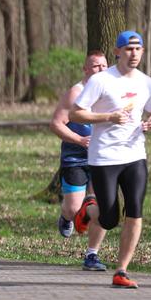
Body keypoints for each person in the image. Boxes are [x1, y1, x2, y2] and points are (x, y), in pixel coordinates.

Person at [70, 31, 151, 288]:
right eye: (129, 49)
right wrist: (107, 117)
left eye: (138, 49)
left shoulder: (147, 83)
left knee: (135, 209)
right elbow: (75, 113)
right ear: (118, 52)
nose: (134, 53)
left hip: (135, 155)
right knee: (109, 219)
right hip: (104, 157)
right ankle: (88, 209)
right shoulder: (101, 80)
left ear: (143, 52)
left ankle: (121, 270)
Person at [49, 50, 109, 271]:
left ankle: (92, 255)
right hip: (75, 158)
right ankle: (65, 217)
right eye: (95, 66)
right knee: (75, 210)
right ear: (86, 69)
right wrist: (80, 140)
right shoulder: (76, 93)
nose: (100, 70)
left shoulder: (110, 92)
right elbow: (56, 123)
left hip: (102, 159)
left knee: (103, 207)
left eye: (104, 66)